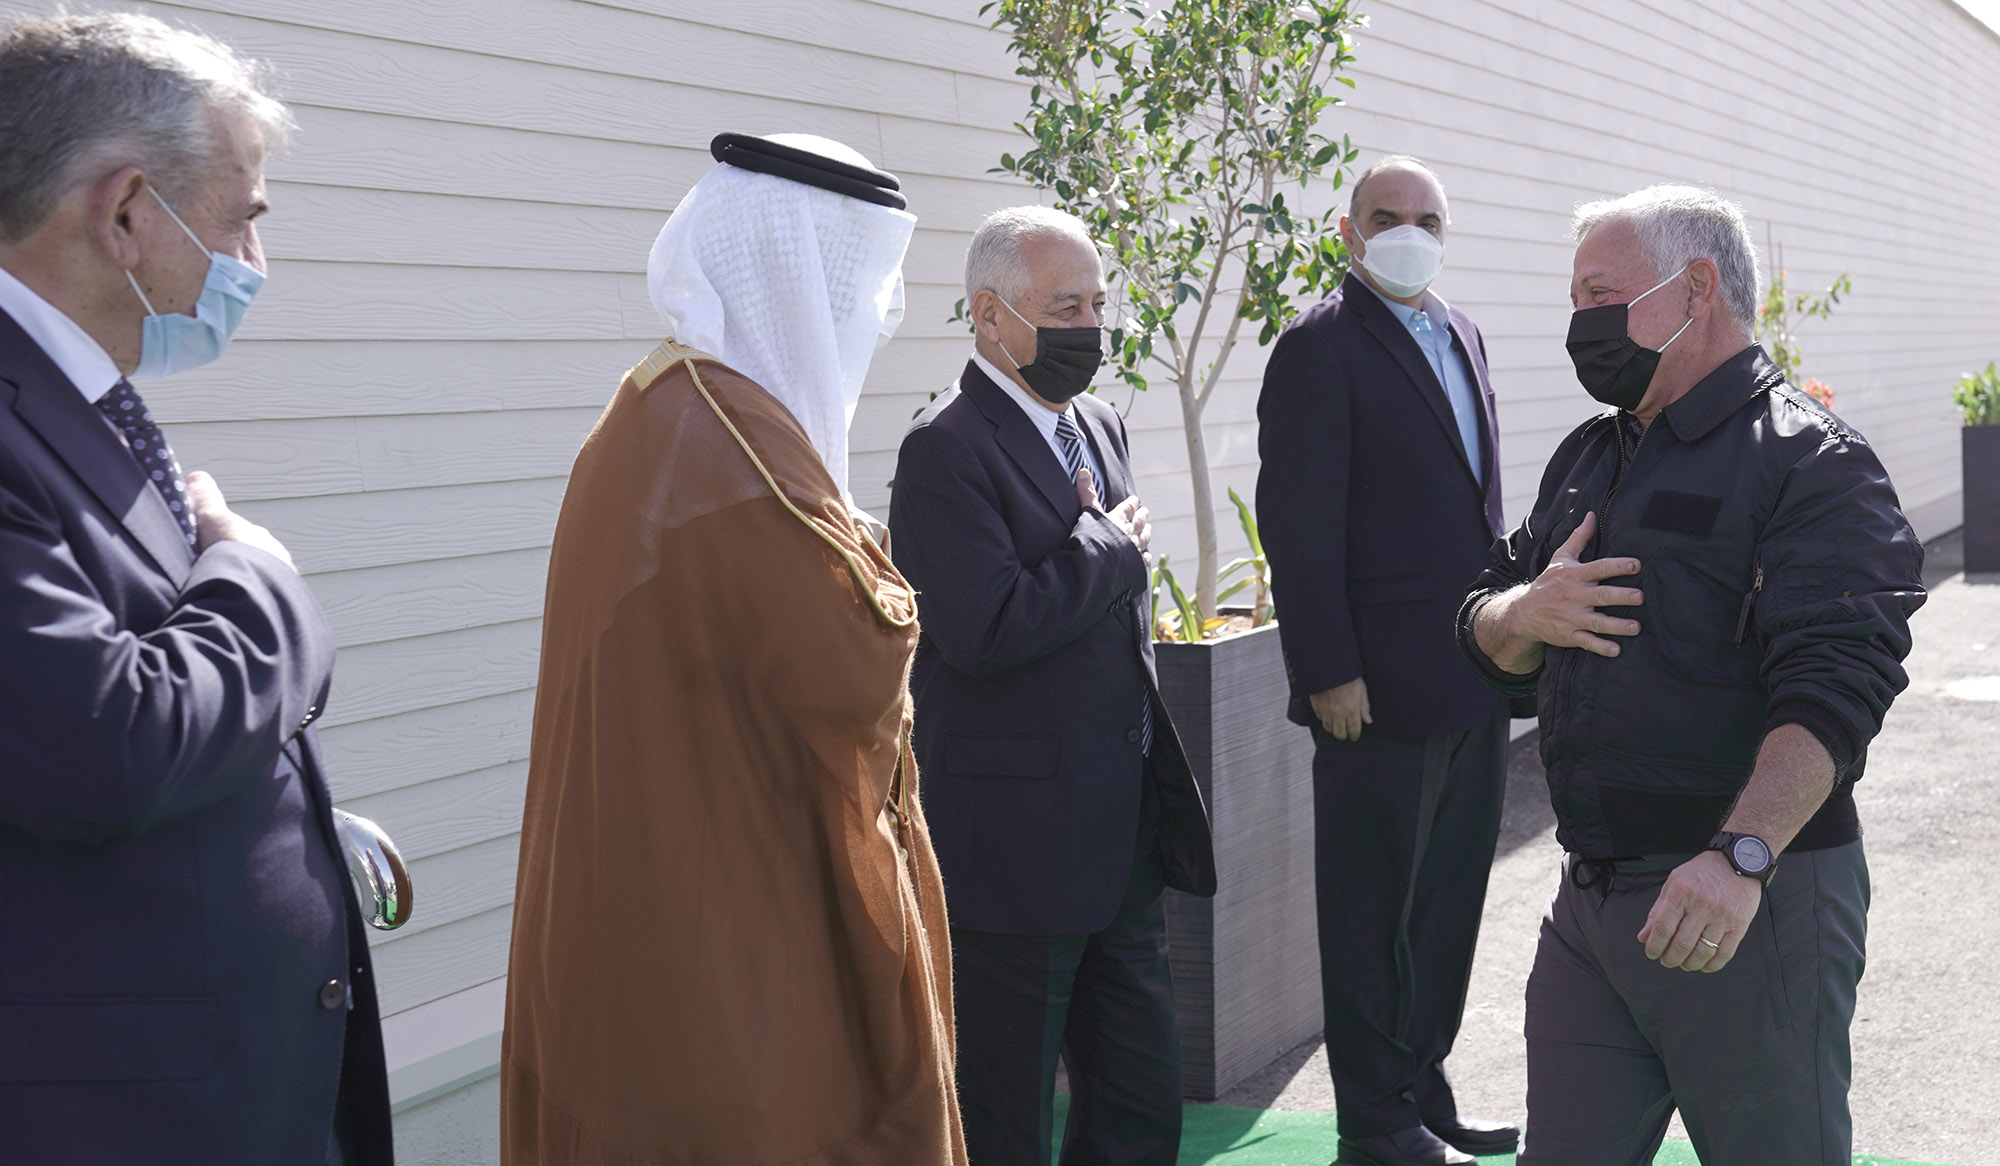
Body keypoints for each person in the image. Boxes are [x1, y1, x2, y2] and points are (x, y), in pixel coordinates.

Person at [501, 132, 966, 1165]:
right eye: (858, 279)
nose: (874, 311)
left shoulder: (657, 408)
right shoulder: (736, 442)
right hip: (729, 896)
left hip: (664, 867)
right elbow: (852, 662)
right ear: (791, 270)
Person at [1458, 185, 1924, 1164]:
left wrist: (1739, 857)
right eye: (1573, 300)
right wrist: (1522, 614)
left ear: (1696, 288)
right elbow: (1490, 626)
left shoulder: (1811, 462)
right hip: (1590, 907)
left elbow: (1837, 687)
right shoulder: (1589, 456)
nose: (1579, 323)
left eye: (1599, 295)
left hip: (1745, 899)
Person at [0, 12, 392, 1165]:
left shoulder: (75, 397)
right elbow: (101, 742)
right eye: (238, 219)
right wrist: (256, 576)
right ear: (125, 211)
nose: (250, 265)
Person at [889, 205, 1217, 1166]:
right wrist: (1104, 549)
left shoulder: (1099, 423)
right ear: (990, 316)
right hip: (1013, 855)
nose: (1091, 326)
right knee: (1008, 1118)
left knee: (1140, 1108)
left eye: (1098, 304)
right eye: (1065, 307)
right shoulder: (943, 448)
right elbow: (980, 630)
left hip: (1120, 837)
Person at [1255, 155, 1519, 1166]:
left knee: (1446, 905)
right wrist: (1327, 666)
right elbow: (1297, 523)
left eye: (1427, 218)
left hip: (1471, 672)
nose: (1409, 232)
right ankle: (1373, 1120)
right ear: (1349, 231)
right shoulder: (1317, 347)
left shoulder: (1464, 333)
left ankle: (1422, 1086)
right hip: (1371, 688)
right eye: (1386, 215)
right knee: (1371, 912)